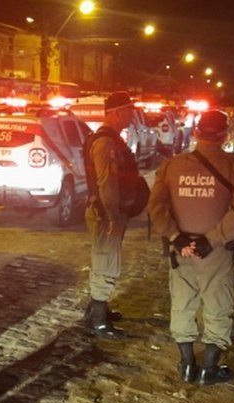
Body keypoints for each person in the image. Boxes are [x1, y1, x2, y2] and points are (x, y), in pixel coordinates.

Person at [148, 110, 234, 385]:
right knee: (218, 305)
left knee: (182, 304)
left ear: (195, 133)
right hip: (215, 251)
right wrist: (212, 239)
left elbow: (156, 207)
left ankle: (186, 365)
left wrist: (175, 236)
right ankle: (208, 369)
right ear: (225, 135)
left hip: (179, 250)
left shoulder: (171, 166)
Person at [82, 91, 140, 339]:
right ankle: (97, 319)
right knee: (106, 262)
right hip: (106, 213)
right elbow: (106, 182)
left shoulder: (111, 138)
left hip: (108, 211)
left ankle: (97, 309)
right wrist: (114, 217)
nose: (132, 116)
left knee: (104, 259)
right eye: (129, 111)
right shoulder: (105, 142)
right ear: (116, 112)